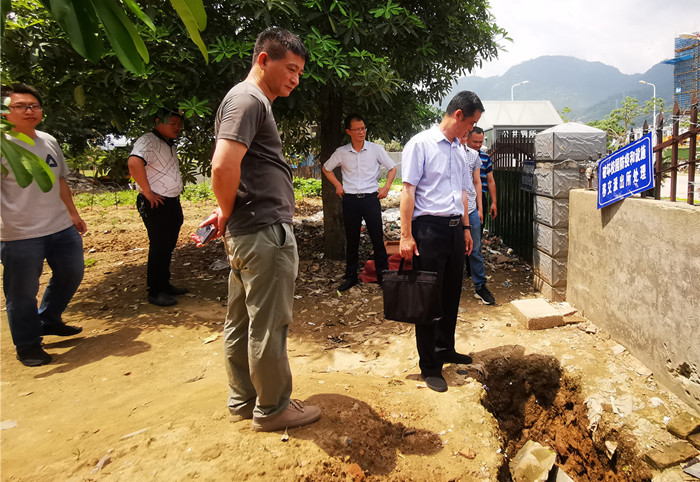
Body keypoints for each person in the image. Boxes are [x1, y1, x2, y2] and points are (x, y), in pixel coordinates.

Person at [204, 27, 320, 432]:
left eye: (300, 72)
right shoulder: (248, 99)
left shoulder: (247, 101)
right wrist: (225, 208)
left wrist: (226, 211)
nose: (296, 79)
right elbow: (223, 166)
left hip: (248, 230)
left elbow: (237, 169)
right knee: (268, 324)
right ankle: (272, 409)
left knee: (241, 320)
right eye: (291, 69)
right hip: (264, 232)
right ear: (263, 60)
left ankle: (244, 400)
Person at [399, 90, 484, 393]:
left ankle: (445, 347)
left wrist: (465, 229)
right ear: (458, 115)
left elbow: (462, 193)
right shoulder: (420, 144)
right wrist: (406, 235)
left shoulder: (460, 150)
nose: (471, 131)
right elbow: (408, 191)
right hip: (428, 230)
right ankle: (429, 365)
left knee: (451, 293)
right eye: (470, 124)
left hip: (454, 229)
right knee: (428, 297)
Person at [0, 83, 87, 367]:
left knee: (72, 272)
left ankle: (48, 318)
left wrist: (73, 213)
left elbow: (59, 180)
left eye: (34, 106)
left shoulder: (48, 140)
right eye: (20, 106)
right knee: (22, 292)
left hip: (60, 226)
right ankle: (27, 344)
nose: (29, 111)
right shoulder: (3, 145)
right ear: (4, 112)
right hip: (19, 233)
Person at [322, 114, 397, 292]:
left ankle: (383, 276)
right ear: (349, 131)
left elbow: (392, 167)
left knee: (377, 238)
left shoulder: (375, 149)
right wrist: (338, 185)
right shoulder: (341, 152)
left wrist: (386, 187)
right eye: (357, 129)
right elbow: (326, 168)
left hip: (371, 199)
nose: (361, 132)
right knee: (352, 239)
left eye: (363, 128)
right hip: (350, 200)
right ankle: (351, 277)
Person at [127, 109, 188, 307]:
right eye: (173, 123)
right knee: (159, 246)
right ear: (158, 122)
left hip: (170, 201)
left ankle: (164, 284)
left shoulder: (168, 143)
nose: (177, 127)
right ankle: (154, 291)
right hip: (155, 202)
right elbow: (134, 162)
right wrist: (147, 192)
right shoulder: (148, 141)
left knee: (168, 245)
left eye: (179, 124)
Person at [461, 130, 496, 305]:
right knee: (451, 249)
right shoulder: (445, 153)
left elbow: (478, 183)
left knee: (474, 249)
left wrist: (480, 209)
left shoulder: (475, 156)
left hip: (472, 209)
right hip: (451, 210)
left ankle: (480, 286)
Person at [468, 127, 497, 232]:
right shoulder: (461, 155)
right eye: (475, 142)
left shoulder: (485, 158)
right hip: (465, 197)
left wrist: (494, 202)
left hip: (480, 197)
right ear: (467, 139)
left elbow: (490, 180)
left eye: (480, 142)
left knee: (478, 228)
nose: (478, 145)